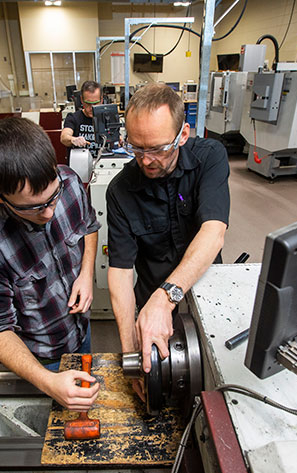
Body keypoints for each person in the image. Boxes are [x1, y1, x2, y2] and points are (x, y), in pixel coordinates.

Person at [0, 117, 101, 411]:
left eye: (52, 198)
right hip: (39, 358)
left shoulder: (70, 182)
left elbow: (89, 226)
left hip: (80, 329)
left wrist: (86, 273)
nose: (50, 213)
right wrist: (48, 381)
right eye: (34, 207)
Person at [106, 83, 230, 396]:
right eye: (137, 148)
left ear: (183, 135)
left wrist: (166, 297)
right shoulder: (120, 191)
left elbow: (213, 232)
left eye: (159, 149)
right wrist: (129, 350)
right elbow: (120, 272)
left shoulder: (209, 158)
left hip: (205, 295)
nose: (146, 160)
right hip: (152, 302)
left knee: (215, 382)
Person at [61, 80, 102, 159]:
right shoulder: (73, 118)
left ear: (101, 100)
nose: (92, 108)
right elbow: (64, 137)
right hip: (80, 164)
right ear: (82, 100)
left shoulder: (108, 118)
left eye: (96, 103)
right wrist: (73, 139)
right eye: (88, 103)